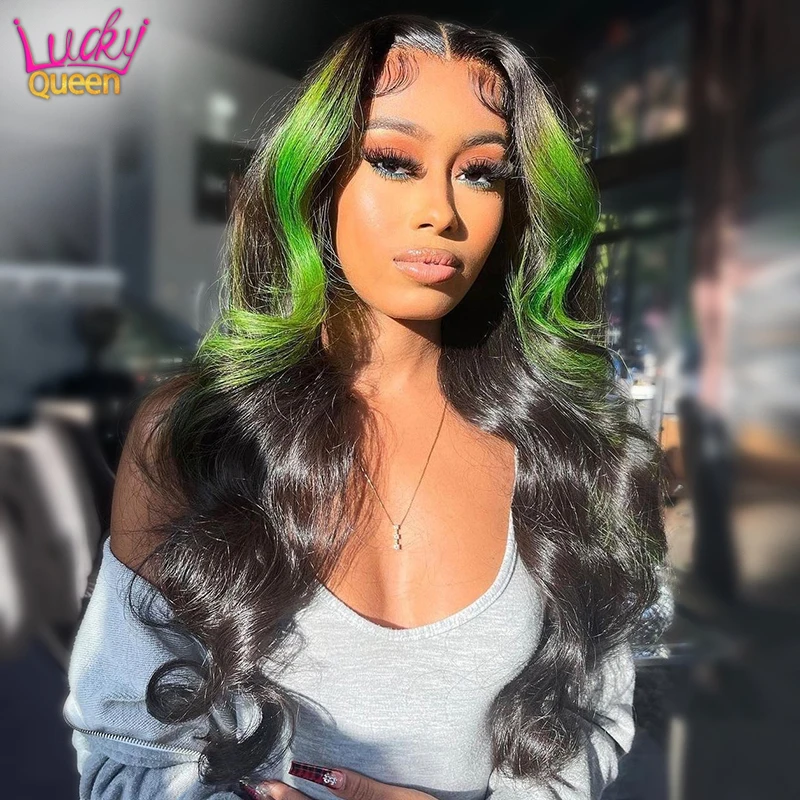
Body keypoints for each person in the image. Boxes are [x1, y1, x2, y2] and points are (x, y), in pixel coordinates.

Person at [63, 13, 669, 800]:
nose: (441, 211)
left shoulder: (571, 451)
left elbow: (589, 729)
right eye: (392, 161)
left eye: (481, 173)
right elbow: (126, 753)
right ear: (318, 178)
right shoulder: (200, 436)